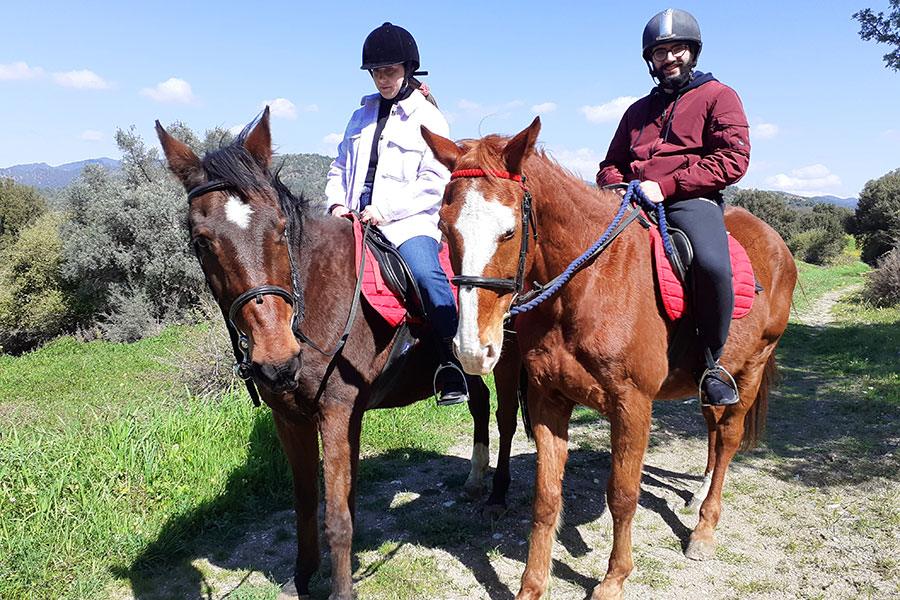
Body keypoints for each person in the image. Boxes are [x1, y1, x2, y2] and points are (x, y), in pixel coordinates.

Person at [596, 8, 751, 406]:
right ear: (651, 60)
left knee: (712, 265)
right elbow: (610, 163)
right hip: (631, 201)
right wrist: (615, 185)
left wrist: (666, 186)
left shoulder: (719, 96)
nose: (669, 58)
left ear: (692, 52)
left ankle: (711, 363)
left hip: (689, 200)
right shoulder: (636, 111)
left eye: (677, 49)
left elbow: (733, 159)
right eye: (661, 52)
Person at [325, 22, 468, 406]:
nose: (382, 79)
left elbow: (435, 180)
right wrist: (337, 204)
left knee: (425, 274)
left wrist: (384, 210)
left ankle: (450, 363)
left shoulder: (430, 118)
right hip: (352, 219)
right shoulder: (360, 116)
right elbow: (339, 166)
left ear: (408, 69)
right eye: (376, 72)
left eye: (389, 71)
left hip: (407, 222)